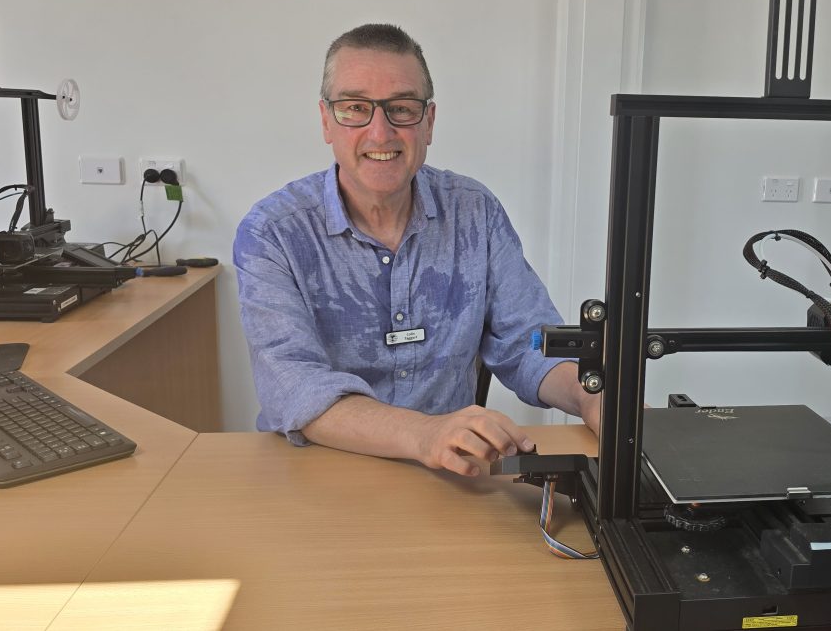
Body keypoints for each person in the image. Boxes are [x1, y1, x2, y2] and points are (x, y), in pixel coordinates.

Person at [234, 23, 600, 477]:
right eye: (355, 108)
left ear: (428, 121)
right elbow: (295, 387)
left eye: (402, 109)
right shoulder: (272, 232)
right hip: (314, 475)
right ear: (327, 121)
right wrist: (424, 433)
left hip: (445, 479)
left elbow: (528, 343)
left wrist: (595, 397)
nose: (380, 132)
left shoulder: (476, 212)